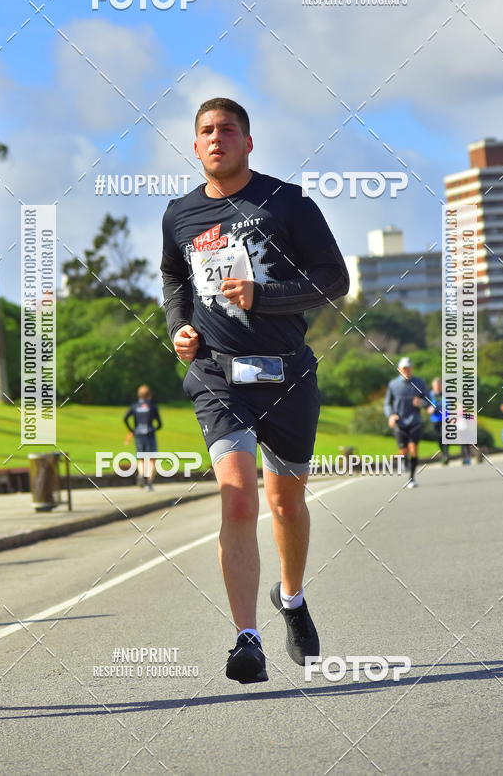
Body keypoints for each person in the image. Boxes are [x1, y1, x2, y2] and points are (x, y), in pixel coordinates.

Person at [161, 97, 349, 684]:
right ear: (195, 147)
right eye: (206, 132)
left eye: (228, 130)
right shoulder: (179, 215)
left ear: (248, 142)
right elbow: (173, 278)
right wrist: (179, 328)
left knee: (285, 503)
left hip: (286, 371)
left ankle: (290, 599)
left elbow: (334, 281)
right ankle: (246, 639)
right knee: (238, 497)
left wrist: (263, 296)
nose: (217, 139)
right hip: (219, 377)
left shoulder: (288, 203)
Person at [384, 357, 429, 488]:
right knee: (403, 451)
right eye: (404, 368)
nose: (407, 371)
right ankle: (405, 462)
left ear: (412, 369)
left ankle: (411, 478)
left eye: (409, 368)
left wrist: (421, 403)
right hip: (400, 422)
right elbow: (387, 403)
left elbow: (428, 400)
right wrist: (391, 415)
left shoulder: (419, 383)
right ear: (399, 369)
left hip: (415, 421)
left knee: (413, 449)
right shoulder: (393, 385)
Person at [124, 385, 162, 490]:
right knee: (152, 459)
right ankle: (149, 483)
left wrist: (132, 430)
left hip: (139, 434)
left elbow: (125, 418)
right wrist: (154, 429)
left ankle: (141, 475)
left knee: (141, 458)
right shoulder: (153, 406)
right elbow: (159, 424)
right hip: (150, 433)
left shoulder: (134, 406)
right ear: (149, 395)